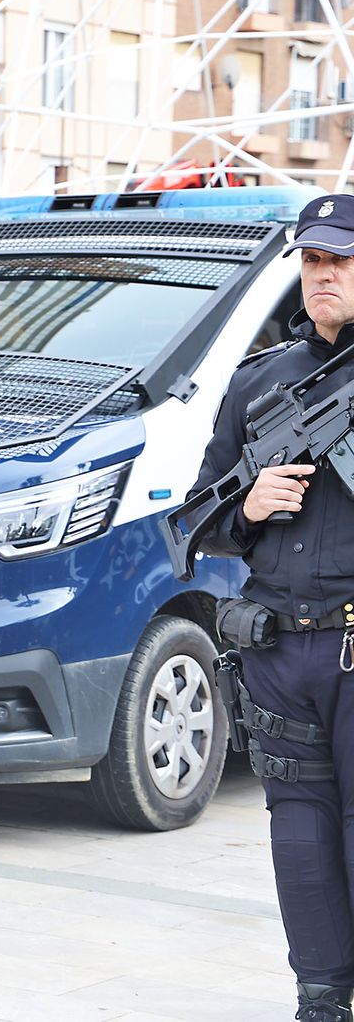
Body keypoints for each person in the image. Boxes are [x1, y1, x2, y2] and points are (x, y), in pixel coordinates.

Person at [188, 194, 354, 1022]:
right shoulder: (262, 381)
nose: (323, 276)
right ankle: (319, 992)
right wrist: (249, 506)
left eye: (341, 261)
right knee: (299, 832)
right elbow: (200, 517)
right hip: (278, 650)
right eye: (313, 262)